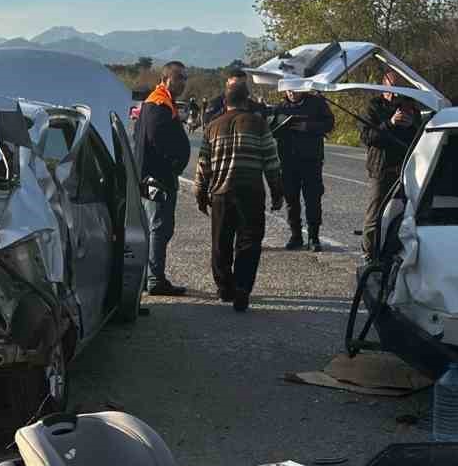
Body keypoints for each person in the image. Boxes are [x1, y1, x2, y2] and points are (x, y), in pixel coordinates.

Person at [195, 69, 283, 312]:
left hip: (221, 193)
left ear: (226, 102)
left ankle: (224, 288)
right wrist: (277, 192)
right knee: (249, 242)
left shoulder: (212, 127)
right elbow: (271, 162)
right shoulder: (259, 124)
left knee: (221, 242)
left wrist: (200, 194)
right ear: (247, 100)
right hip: (251, 193)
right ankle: (243, 288)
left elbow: (203, 165)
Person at [135, 61, 192, 296]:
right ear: (166, 78)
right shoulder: (158, 103)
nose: (183, 83)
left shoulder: (162, 101)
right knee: (159, 226)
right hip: (158, 178)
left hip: (160, 176)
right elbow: (159, 140)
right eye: (179, 78)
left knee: (162, 227)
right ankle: (154, 279)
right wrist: (173, 165)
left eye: (185, 78)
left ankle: (154, 276)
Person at [355, 71, 421, 258]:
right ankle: (369, 252)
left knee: (406, 212)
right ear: (383, 87)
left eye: (397, 89)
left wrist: (411, 126)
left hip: (406, 168)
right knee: (375, 214)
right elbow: (368, 137)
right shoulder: (373, 108)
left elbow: (419, 138)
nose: (393, 94)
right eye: (389, 89)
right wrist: (390, 123)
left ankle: (396, 251)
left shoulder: (411, 108)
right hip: (381, 168)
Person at [271, 87, 335, 252]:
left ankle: (314, 236)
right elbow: (271, 131)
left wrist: (309, 127)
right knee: (291, 200)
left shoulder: (317, 103)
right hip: (288, 161)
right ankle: (296, 235)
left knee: (313, 199)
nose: (291, 93)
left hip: (311, 160)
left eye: (295, 90)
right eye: (288, 90)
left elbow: (329, 124)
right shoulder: (279, 108)